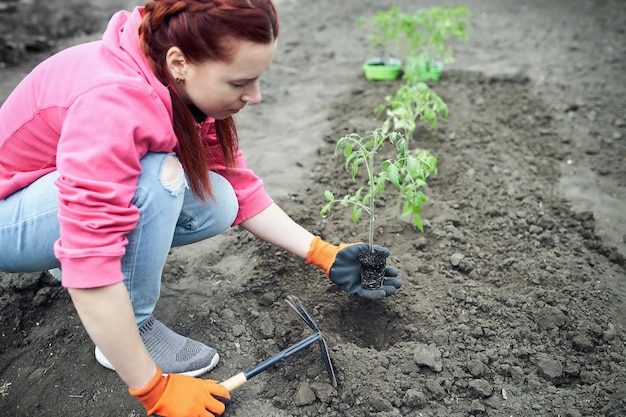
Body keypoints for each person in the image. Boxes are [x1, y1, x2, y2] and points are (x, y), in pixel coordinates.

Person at [0, 0, 401, 415]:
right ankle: (127, 333)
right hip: (8, 219)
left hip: (49, 199)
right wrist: (153, 390)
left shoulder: (170, 78)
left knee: (217, 198)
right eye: (240, 82)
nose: (256, 96)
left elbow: (242, 190)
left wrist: (323, 254)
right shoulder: (115, 103)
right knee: (157, 180)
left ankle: (63, 264)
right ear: (180, 62)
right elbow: (90, 256)